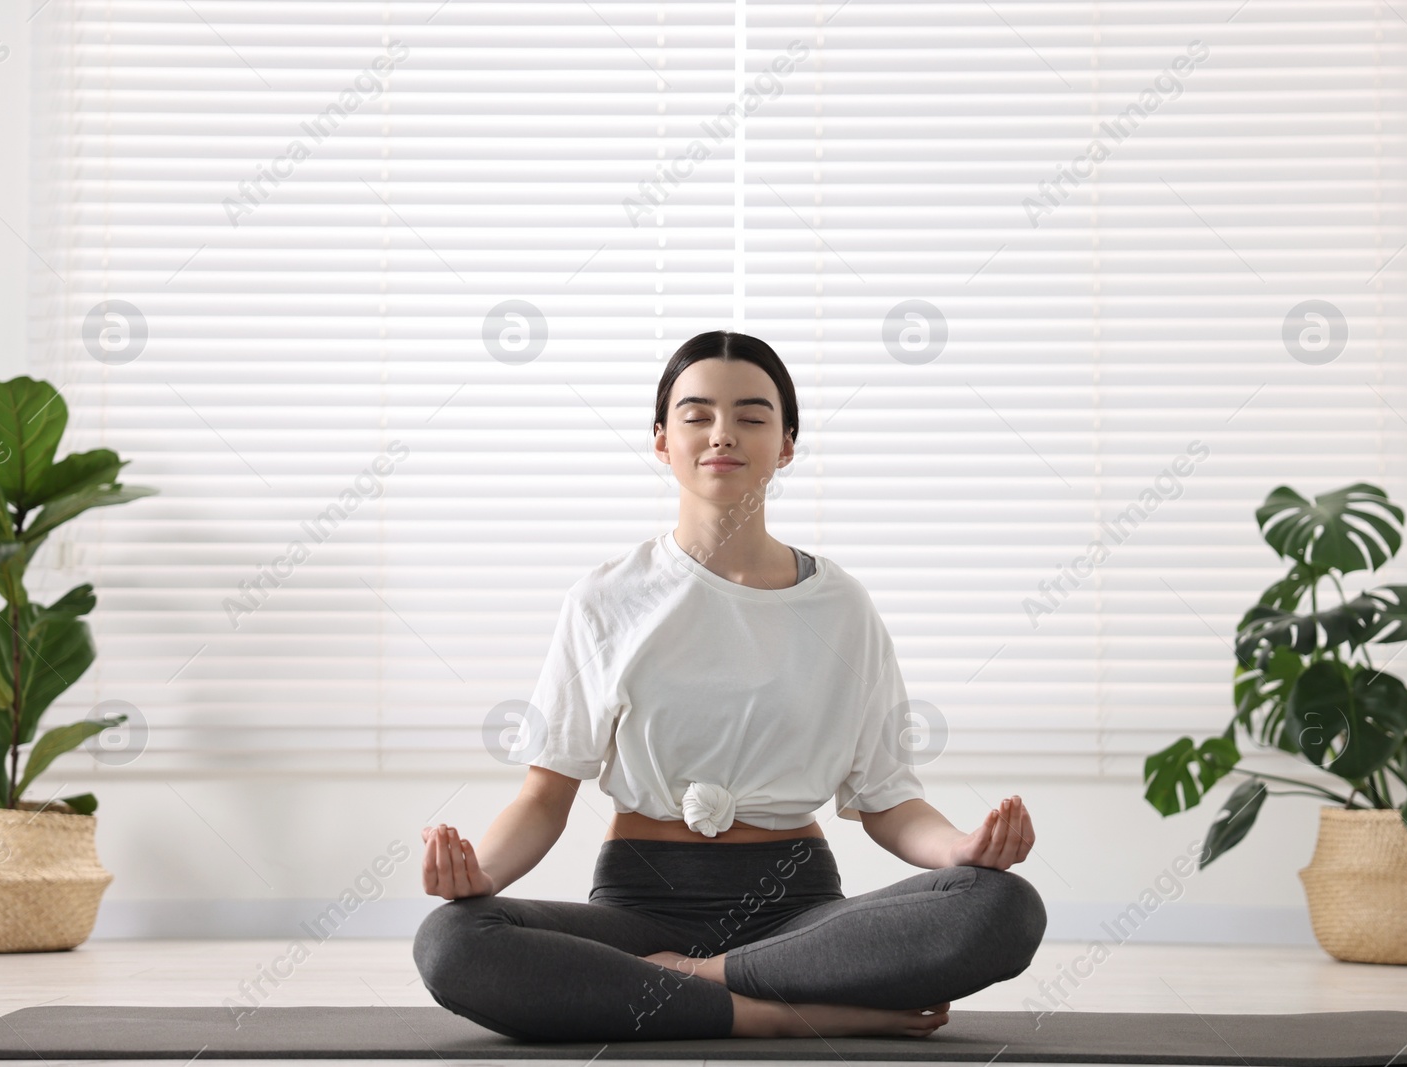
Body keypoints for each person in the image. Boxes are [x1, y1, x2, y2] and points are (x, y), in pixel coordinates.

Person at [412, 330, 1046, 1043]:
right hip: (637, 905)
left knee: (1002, 906)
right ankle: (777, 1010)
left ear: (786, 444)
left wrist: (961, 849)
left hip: (798, 911)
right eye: (697, 414)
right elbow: (544, 797)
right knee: (452, 941)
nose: (723, 434)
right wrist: (477, 876)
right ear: (661, 440)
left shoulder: (841, 606)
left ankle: (699, 980)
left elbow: (888, 798)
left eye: (752, 415)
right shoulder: (603, 599)